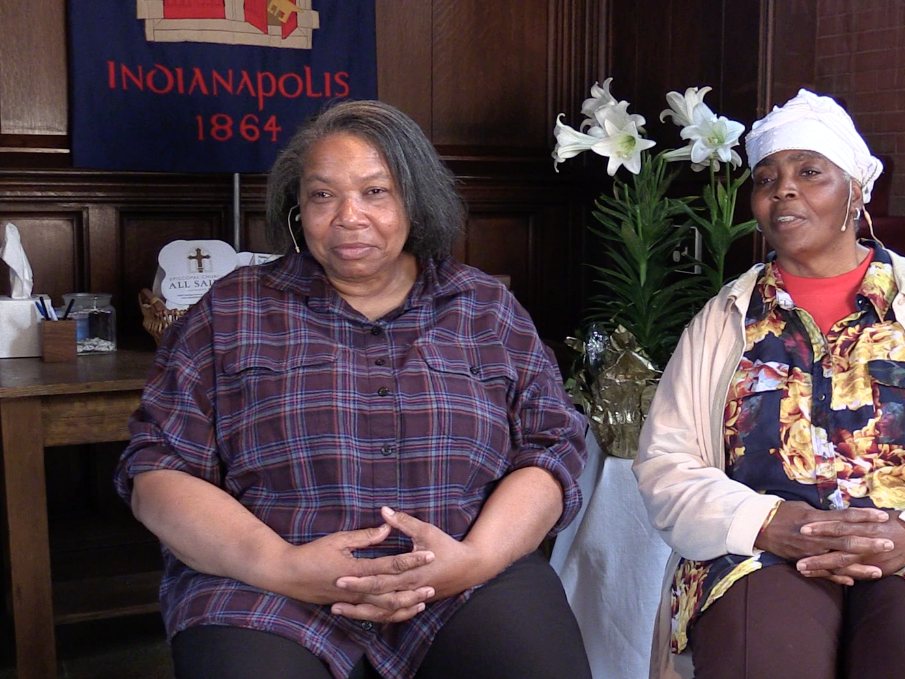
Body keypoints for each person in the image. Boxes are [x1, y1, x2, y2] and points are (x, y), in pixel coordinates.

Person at [115, 100, 592, 679]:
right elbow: (158, 473)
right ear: (297, 207)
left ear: (416, 201)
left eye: (375, 192)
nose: (348, 216)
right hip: (266, 586)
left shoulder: (485, 308)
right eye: (322, 195)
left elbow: (552, 447)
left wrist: (476, 559)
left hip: (463, 576)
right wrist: (282, 565)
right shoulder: (232, 310)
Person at [633, 89, 905, 679]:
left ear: (856, 191)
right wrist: (768, 523)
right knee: (761, 650)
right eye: (766, 178)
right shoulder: (724, 319)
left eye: (810, 172)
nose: (783, 189)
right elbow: (666, 461)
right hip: (759, 551)